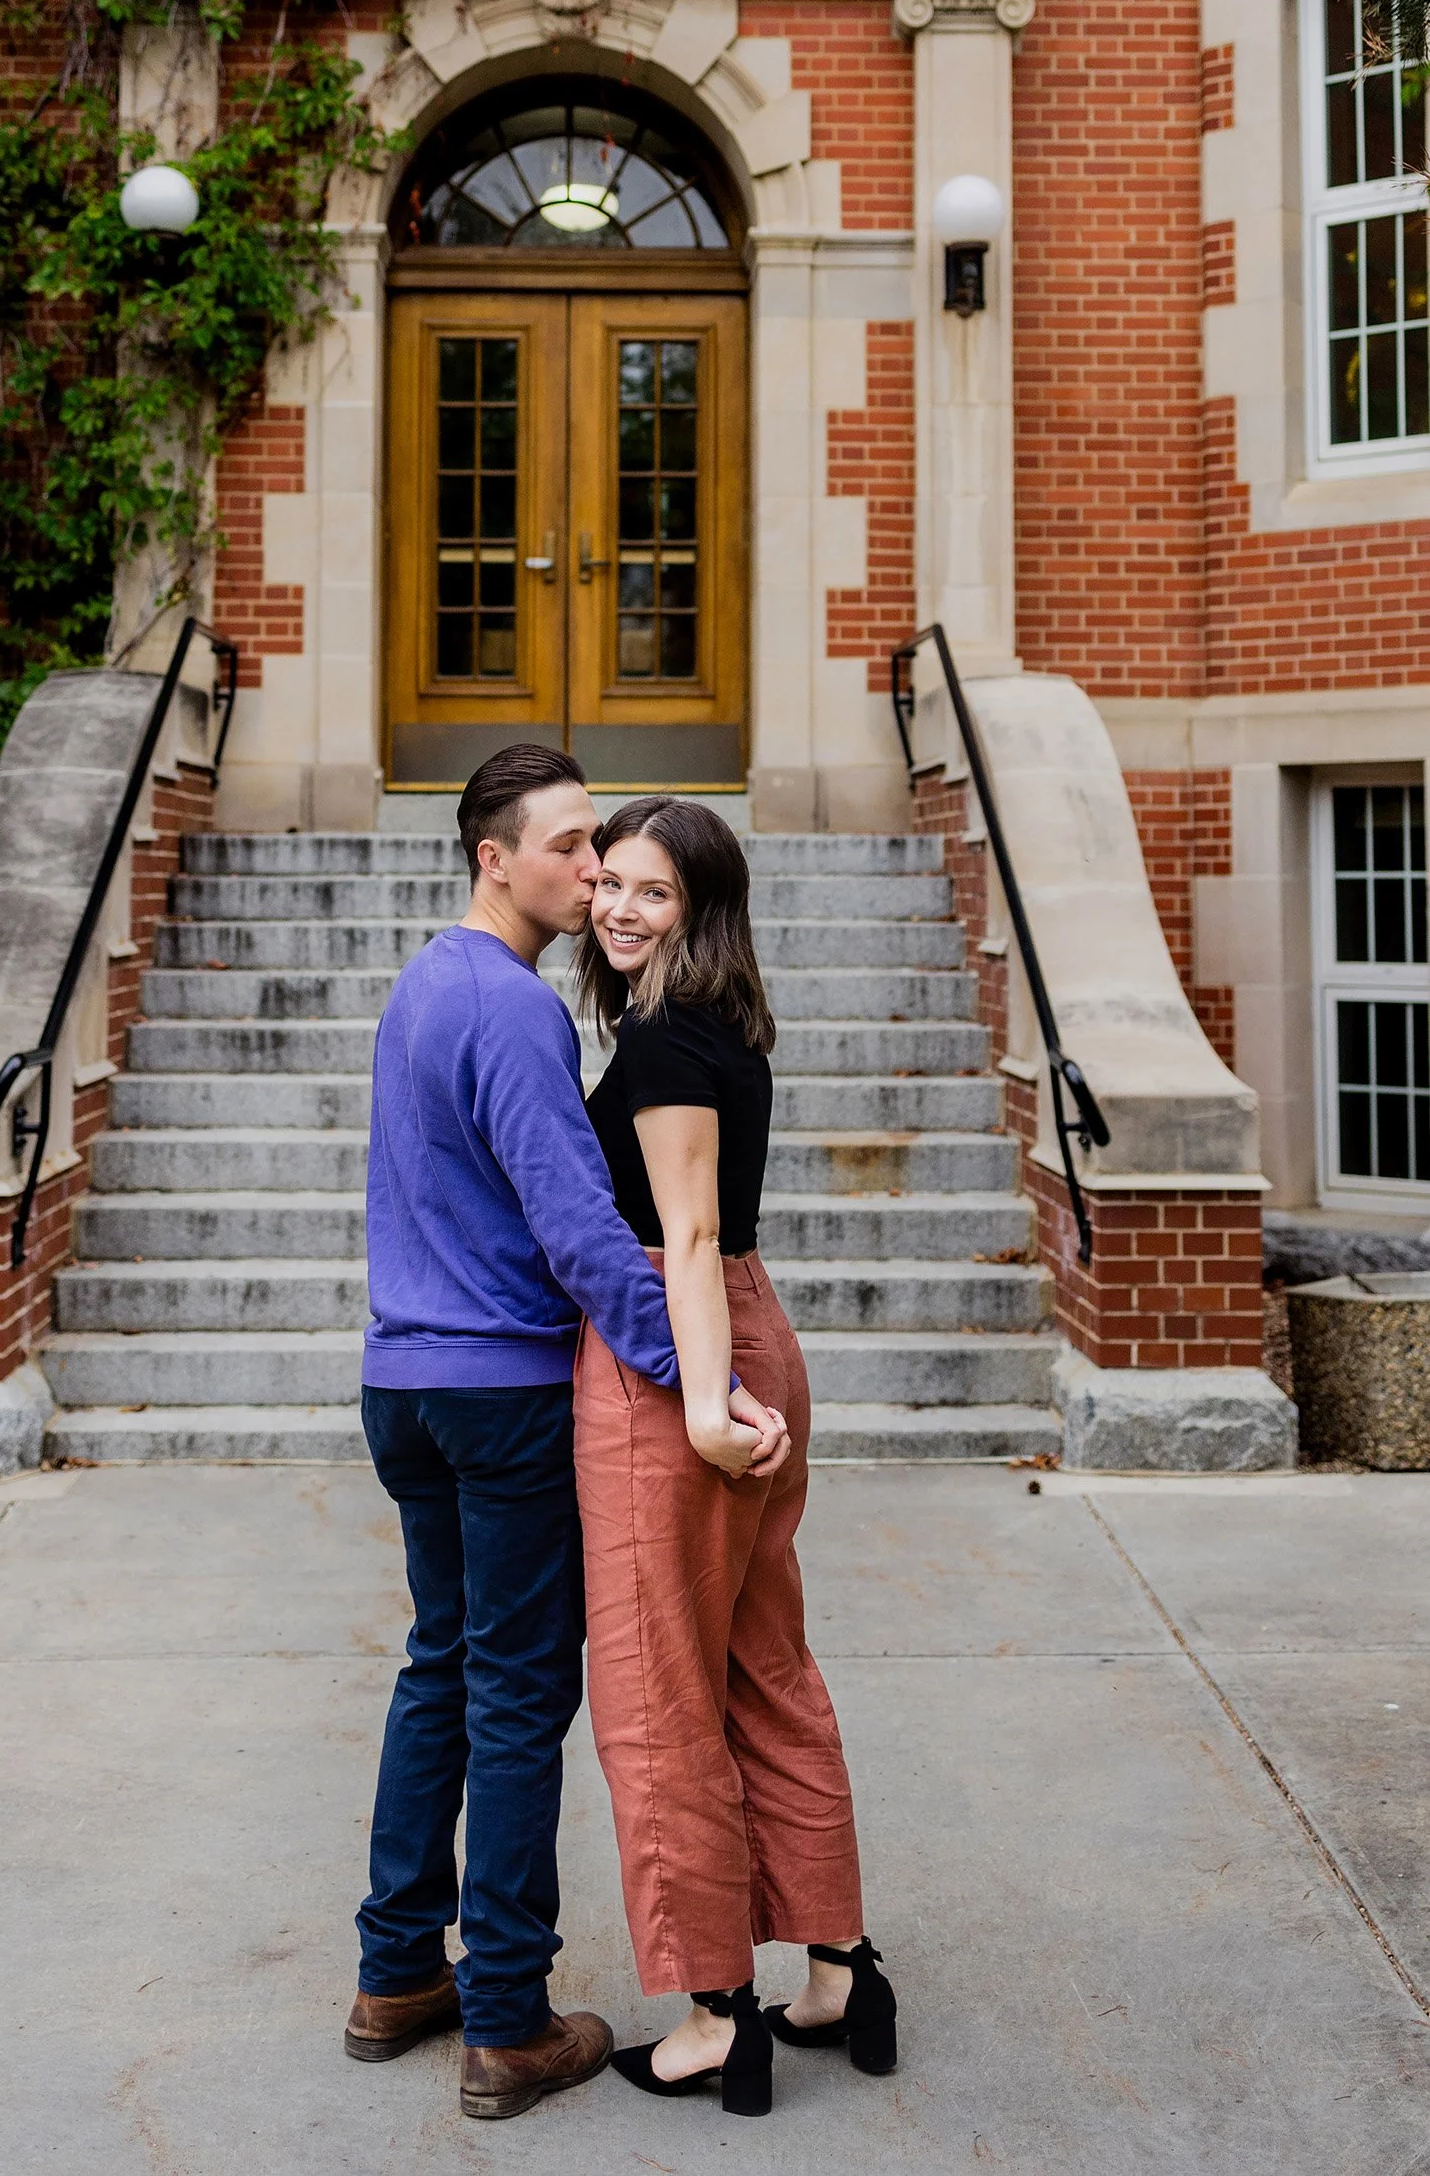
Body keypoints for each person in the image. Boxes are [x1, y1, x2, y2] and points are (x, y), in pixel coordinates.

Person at [346, 747, 785, 2122]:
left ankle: (394, 1972)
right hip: (497, 1394)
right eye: (572, 845)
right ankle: (507, 2019)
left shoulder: (422, 984)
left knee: (440, 1668)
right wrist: (680, 1377)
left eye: (602, 847)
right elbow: (579, 1224)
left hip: (399, 1383)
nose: (594, 870)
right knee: (520, 1690)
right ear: (494, 856)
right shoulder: (516, 1012)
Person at [572, 795, 898, 2118]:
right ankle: (834, 1971)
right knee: (765, 1666)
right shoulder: (720, 1023)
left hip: (680, 1349)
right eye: (609, 885)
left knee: (656, 1701)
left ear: (702, 911)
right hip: (753, 1327)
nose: (617, 910)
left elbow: (685, 1236)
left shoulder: (657, 1040)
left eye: (652, 893)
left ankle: (714, 2015)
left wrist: (700, 1404)